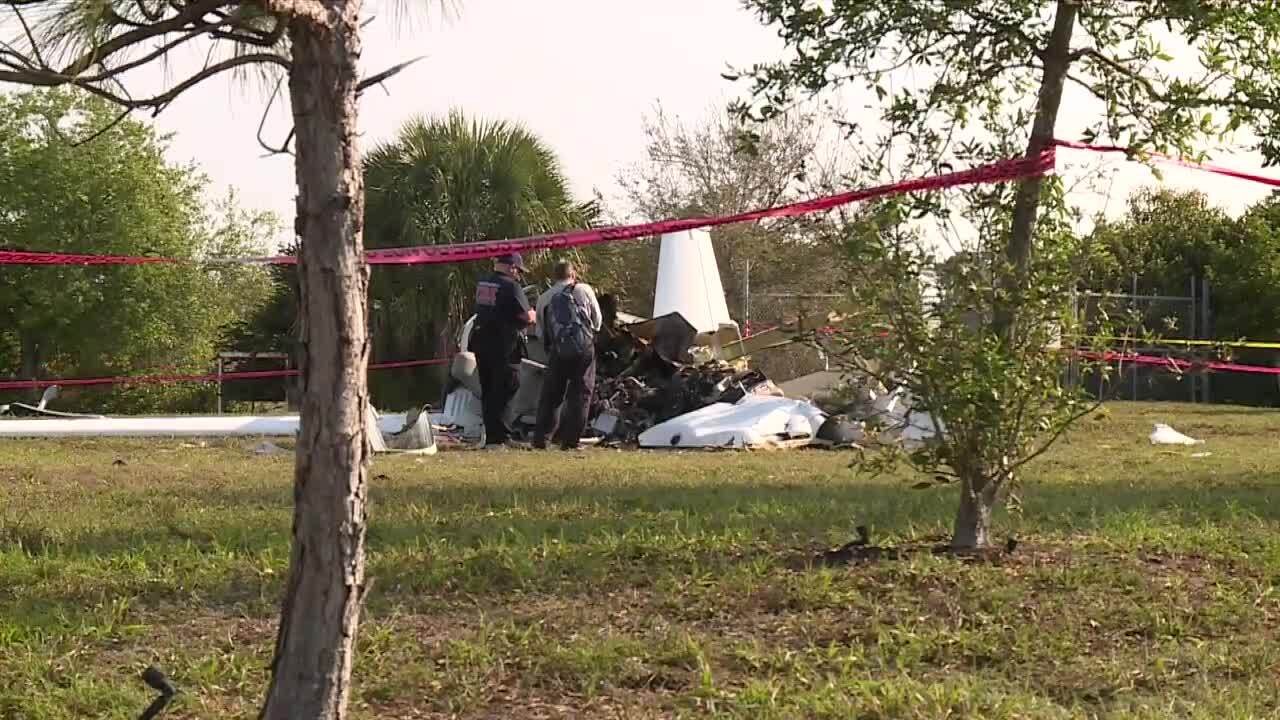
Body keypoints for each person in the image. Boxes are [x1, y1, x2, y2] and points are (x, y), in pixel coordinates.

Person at [533, 259, 602, 450]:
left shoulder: (545, 298)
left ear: (554, 277)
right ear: (573, 275)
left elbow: (540, 333)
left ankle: (542, 440)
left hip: (558, 351)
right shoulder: (584, 289)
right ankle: (571, 442)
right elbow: (597, 321)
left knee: (552, 395)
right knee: (581, 394)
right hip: (584, 349)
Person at [469, 253, 535, 448]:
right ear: (512, 267)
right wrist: (532, 314)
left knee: (489, 390)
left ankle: (492, 437)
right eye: (518, 270)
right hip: (505, 345)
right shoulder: (511, 286)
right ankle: (502, 437)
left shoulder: (483, 282)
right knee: (507, 389)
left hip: (482, 343)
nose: (518, 275)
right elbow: (526, 317)